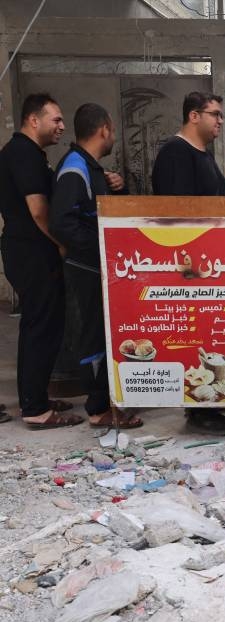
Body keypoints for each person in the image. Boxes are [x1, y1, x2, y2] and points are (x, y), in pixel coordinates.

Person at [151, 91, 225, 436]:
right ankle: (200, 410)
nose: (219, 121)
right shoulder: (176, 153)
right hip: (192, 264)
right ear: (193, 116)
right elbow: (177, 214)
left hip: (213, 261)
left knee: (212, 333)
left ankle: (211, 400)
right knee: (197, 334)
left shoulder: (202, 153)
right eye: (214, 114)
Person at [49, 103, 142, 430]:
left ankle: (105, 402)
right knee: (92, 335)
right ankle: (98, 409)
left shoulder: (91, 168)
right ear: (104, 129)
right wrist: (100, 250)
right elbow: (62, 222)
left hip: (99, 266)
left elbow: (100, 214)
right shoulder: (75, 167)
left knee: (103, 333)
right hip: (87, 267)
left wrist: (118, 188)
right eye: (113, 129)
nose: (113, 134)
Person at [0, 93, 79, 428]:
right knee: (39, 327)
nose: (61, 125)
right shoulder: (23, 153)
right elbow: (38, 210)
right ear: (34, 119)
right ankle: (34, 409)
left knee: (45, 326)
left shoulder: (30, 153)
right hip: (32, 252)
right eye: (56, 119)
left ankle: (37, 396)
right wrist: (62, 245)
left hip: (30, 250)